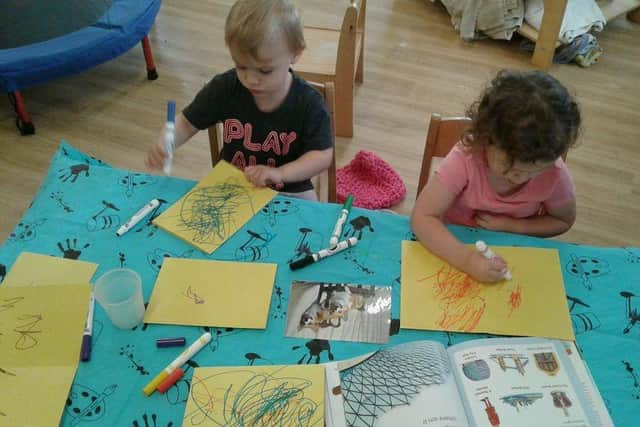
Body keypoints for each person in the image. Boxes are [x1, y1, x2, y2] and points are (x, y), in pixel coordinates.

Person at [145, 0, 333, 200]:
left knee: (310, 222)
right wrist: (169, 140)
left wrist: (280, 173)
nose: (250, 80)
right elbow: (186, 123)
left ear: (295, 53)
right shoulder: (224, 88)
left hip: (289, 187)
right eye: (241, 66)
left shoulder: (309, 103)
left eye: (264, 70)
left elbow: (321, 156)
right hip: (234, 186)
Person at [410, 69, 581, 283]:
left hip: (512, 249)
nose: (520, 178)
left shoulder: (554, 174)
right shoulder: (467, 157)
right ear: (485, 139)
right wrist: (468, 261)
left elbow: (563, 221)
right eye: (508, 166)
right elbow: (422, 217)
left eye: (535, 170)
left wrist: (515, 226)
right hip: (451, 245)